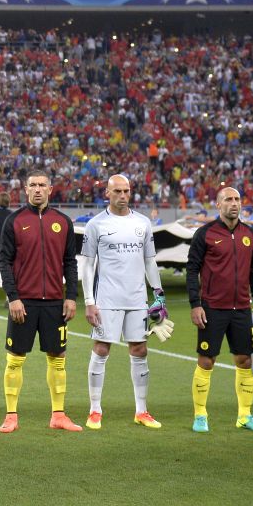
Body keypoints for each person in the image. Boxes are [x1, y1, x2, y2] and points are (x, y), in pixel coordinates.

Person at [0, 170, 81, 433]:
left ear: (50, 189)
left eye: (42, 185)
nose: (37, 189)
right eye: (32, 185)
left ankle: (58, 415)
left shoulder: (63, 222)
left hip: (55, 302)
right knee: (15, 358)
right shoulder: (14, 221)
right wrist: (13, 297)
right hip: (24, 303)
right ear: (25, 189)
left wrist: (71, 296)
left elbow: (70, 262)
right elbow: (4, 262)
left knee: (58, 357)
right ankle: (11, 416)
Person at [79, 174, 164, 430]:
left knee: (140, 350)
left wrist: (158, 294)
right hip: (106, 299)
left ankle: (141, 411)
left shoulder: (142, 223)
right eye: (117, 191)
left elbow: (150, 261)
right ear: (107, 193)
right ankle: (95, 410)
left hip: (137, 299)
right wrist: (89, 301)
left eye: (126, 191)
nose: (123, 195)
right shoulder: (96, 224)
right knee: (101, 349)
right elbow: (88, 265)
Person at [186, 186, 253, 433]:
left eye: (237, 199)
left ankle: (245, 415)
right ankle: (200, 415)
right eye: (228, 199)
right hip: (212, 308)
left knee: (245, 360)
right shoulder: (205, 233)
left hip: (241, 308)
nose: (234, 203)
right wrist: (195, 304)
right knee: (206, 360)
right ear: (218, 205)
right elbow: (192, 269)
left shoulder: (249, 234)